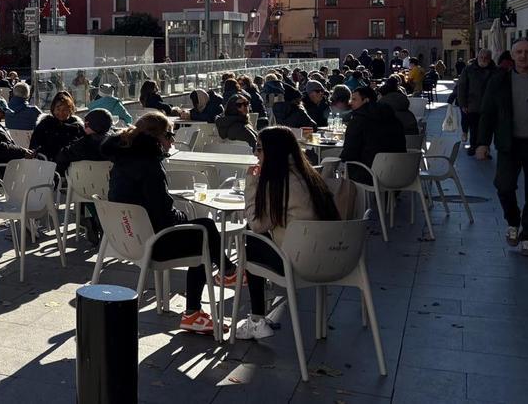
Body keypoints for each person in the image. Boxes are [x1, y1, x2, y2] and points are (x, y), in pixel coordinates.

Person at [102, 111, 235, 334]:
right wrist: (186, 219)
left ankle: (227, 272)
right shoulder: (150, 166)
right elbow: (163, 214)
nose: (172, 140)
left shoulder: (122, 159)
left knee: (201, 230)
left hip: (125, 238)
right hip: (152, 243)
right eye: (170, 134)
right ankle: (215, 286)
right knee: (205, 230)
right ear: (157, 138)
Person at [235, 127, 341, 340]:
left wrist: (251, 184)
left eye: (259, 148)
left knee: (250, 239)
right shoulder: (310, 176)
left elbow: (257, 224)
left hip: (298, 263)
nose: (256, 154)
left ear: (272, 151)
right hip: (333, 257)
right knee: (255, 237)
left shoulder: (279, 183)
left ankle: (256, 319)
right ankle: (257, 318)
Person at [476, 37, 528, 254]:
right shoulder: (500, 80)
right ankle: (513, 220)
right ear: (512, 54)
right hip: (509, 143)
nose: (523, 56)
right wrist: (482, 143)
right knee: (504, 185)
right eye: (519, 52)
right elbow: (487, 113)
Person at [56, 108, 114, 245]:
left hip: (83, 190)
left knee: (86, 188)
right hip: (111, 189)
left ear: (89, 126)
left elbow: (61, 158)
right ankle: (102, 220)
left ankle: (94, 218)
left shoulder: (80, 145)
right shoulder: (116, 143)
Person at [341, 85, 406, 185]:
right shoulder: (394, 119)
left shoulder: (358, 121)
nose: (350, 103)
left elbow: (349, 153)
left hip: (369, 174)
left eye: (354, 99)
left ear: (366, 100)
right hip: (400, 174)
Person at [456, 49, 497, 156]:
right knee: (474, 128)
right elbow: (462, 87)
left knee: (487, 129)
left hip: (489, 106)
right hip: (473, 105)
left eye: (486, 58)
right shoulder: (469, 69)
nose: (483, 60)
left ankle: (484, 149)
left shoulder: (495, 70)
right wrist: (463, 104)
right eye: (481, 57)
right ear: (477, 57)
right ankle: (473, 146)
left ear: (490, 58)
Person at [30, 92, 84, 165]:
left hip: (71, 168)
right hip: (46, 165)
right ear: (53, 108)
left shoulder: (77, 126)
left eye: (65, 109)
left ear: (70, 109)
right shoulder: (45, 124)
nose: (61, 113)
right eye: (58, 109)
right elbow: (34, 145)